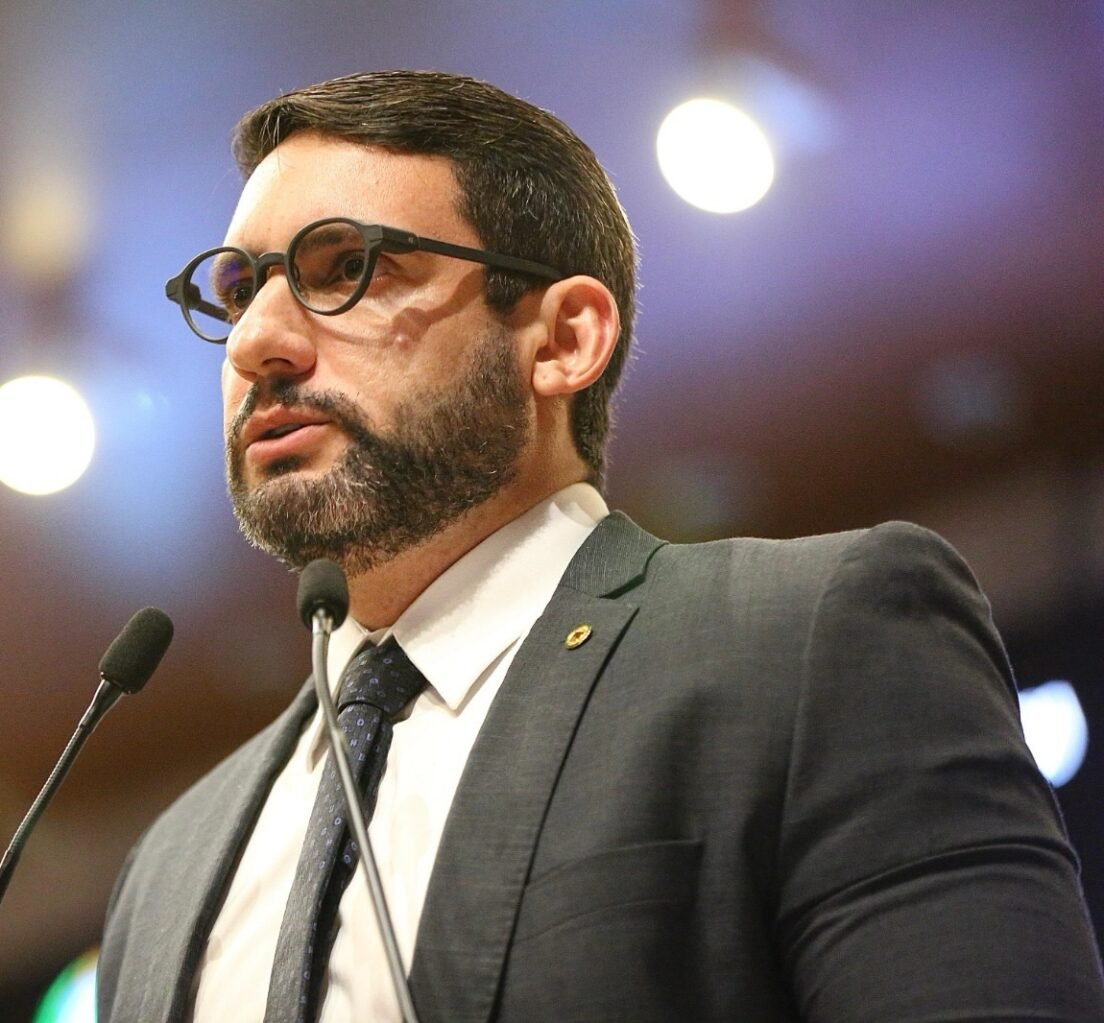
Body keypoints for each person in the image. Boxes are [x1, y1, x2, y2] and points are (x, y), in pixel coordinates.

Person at [97, 70, 1104, 1022]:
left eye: (349, 268)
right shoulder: (171, 864)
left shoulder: (811, 640)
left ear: (565, 338)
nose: (255, 342)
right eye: (240, 290)